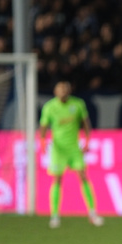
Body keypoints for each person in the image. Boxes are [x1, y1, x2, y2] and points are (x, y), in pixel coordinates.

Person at [39, 81, 104, 229]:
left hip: (74, 148)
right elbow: (43, 126)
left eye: (65, 89)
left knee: (83, 176)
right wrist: (42, 142)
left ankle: (93, 213)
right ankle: (54, 215)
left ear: (69, 91)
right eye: (60, 89)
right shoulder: (49, 107)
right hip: (58, 149)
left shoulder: (78, 104)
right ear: (55, 92)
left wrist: (87, 141)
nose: (63, 92)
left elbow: (86, 123)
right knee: (57, 179)